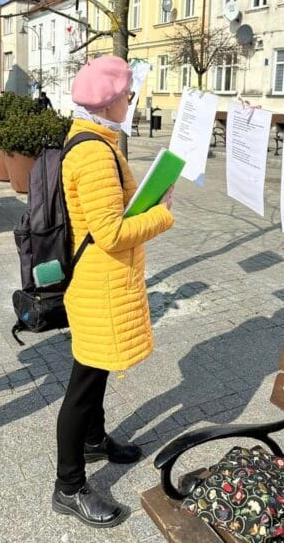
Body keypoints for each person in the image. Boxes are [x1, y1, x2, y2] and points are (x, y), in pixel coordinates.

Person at [51, 55, 175, 528]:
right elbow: (109, 233)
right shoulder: (94, 152)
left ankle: (95, 440)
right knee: (83, 384)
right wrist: (161, 212)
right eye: (128, 96)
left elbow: (107, 212)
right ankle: (69, 486)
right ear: (111, 100)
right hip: (99, 285)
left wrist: (137, 198)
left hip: (100, 280)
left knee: (97, 372)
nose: (132, 103)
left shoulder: (94, 140)